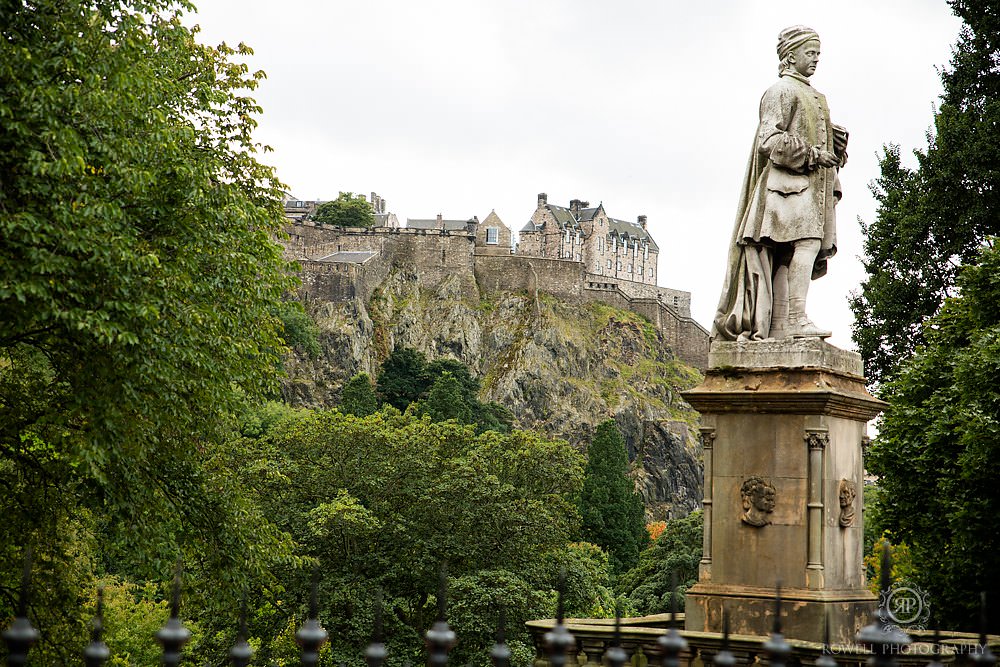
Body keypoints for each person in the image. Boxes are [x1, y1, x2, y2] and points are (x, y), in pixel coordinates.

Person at [712, 26, 848, 341]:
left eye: (818, 54)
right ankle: (796, 318)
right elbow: (768, 139)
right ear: (791, 55)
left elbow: (825, 148)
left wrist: (837, 147)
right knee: (807, 243)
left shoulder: (817, 96)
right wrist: (812, 153)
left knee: (788, 256)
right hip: (783, 189)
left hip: (808, 189)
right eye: (809, 53)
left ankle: (781, 323)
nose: (815, 60)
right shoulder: (781, 90)